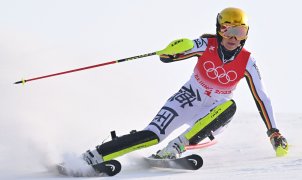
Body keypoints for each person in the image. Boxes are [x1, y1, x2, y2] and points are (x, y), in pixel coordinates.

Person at [82, 7, 288, 168]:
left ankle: (176, 147)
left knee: (230, 105)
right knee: (152, 135)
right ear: (219, 30)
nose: (234, 38)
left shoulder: (247, 62)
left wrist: (274, 132)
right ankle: (93, 156)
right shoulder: (205, 44)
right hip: (187, 99)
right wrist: (170, 52)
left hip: (214, 112)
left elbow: (262, 97)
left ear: (246, 33)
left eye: (240, 32)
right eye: (228, 31)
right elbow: (168, 58)